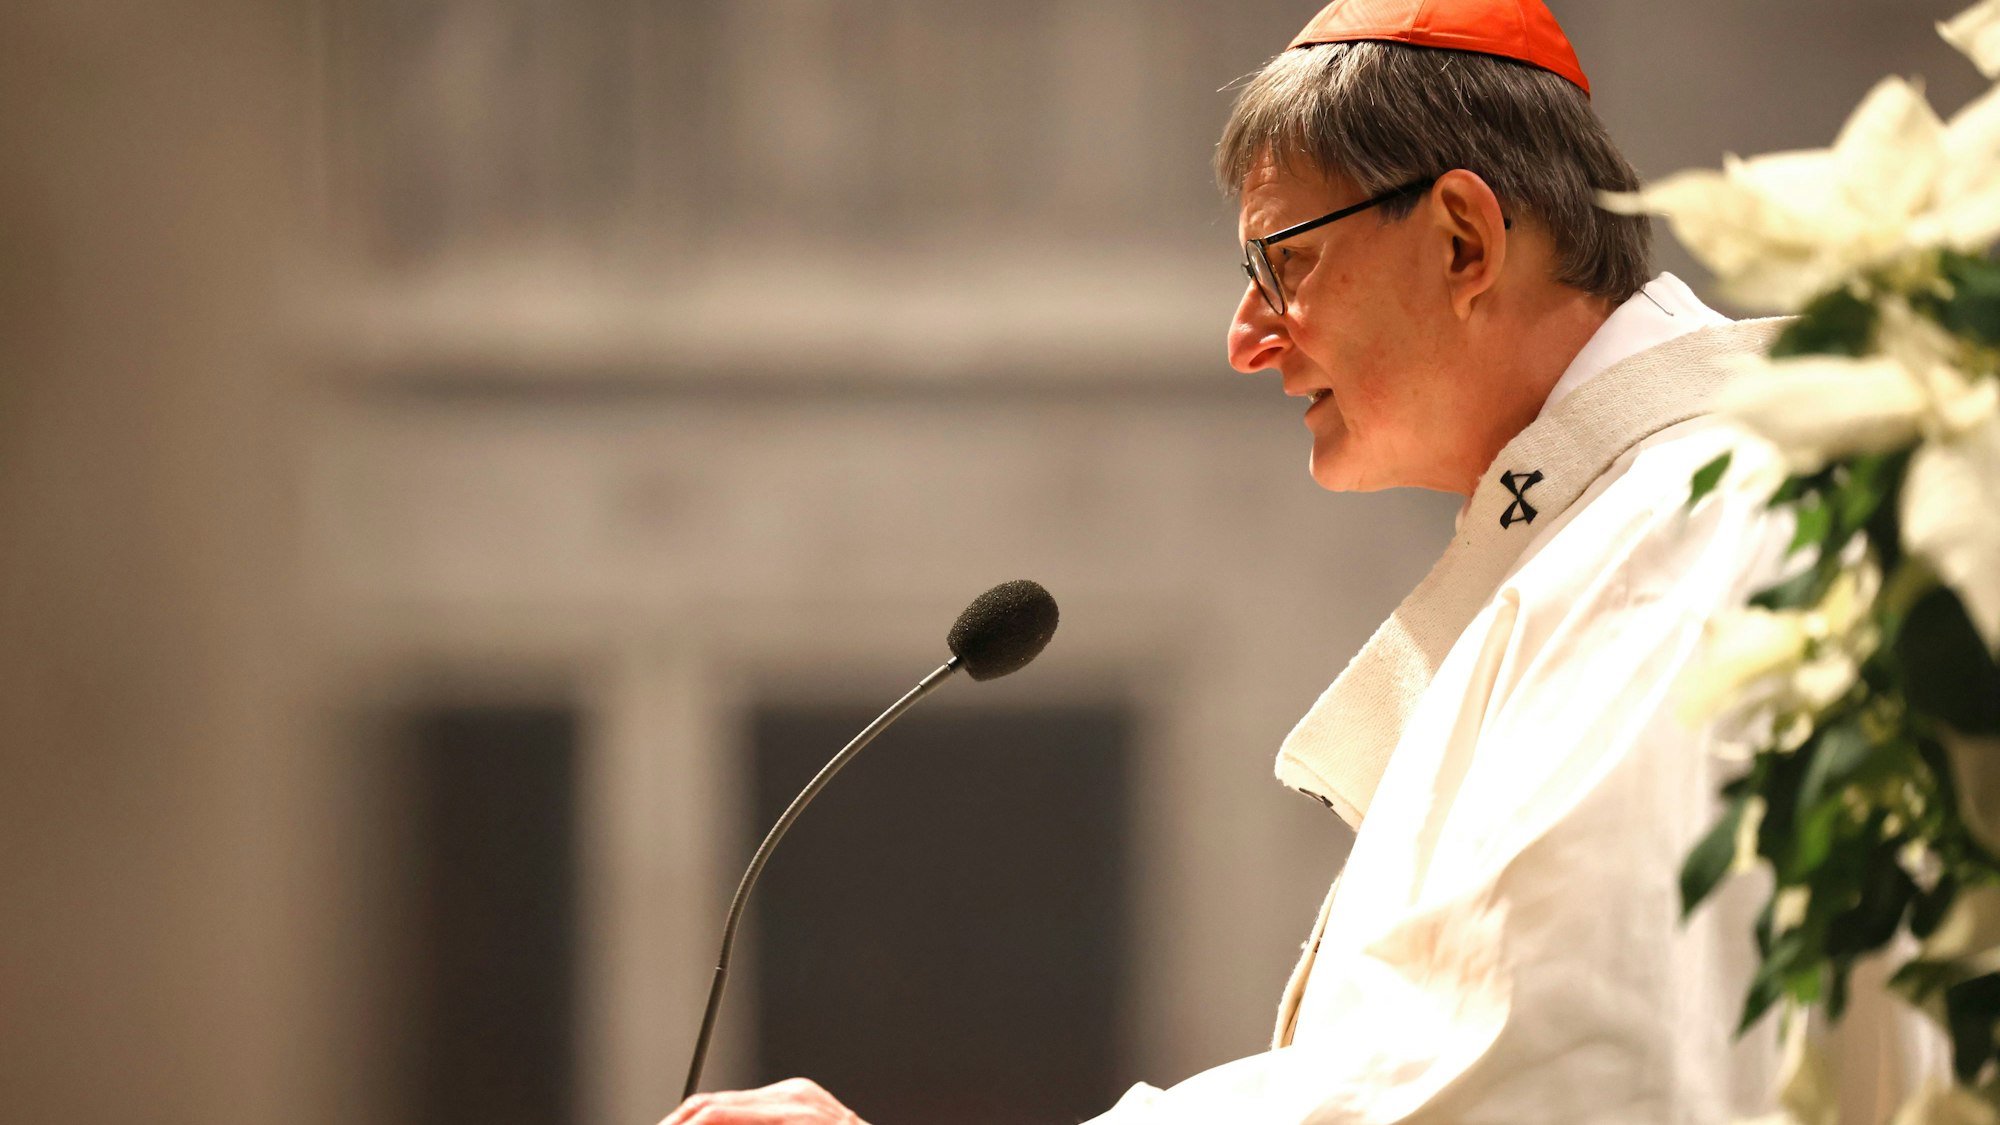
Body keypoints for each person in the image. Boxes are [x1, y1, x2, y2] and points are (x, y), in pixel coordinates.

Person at [663, 1, 1945, 1121]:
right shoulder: (1637, 526)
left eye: (1284, 262)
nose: (1244, 338)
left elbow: (1539, 1084)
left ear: (1461, 242)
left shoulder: (1691, 535)